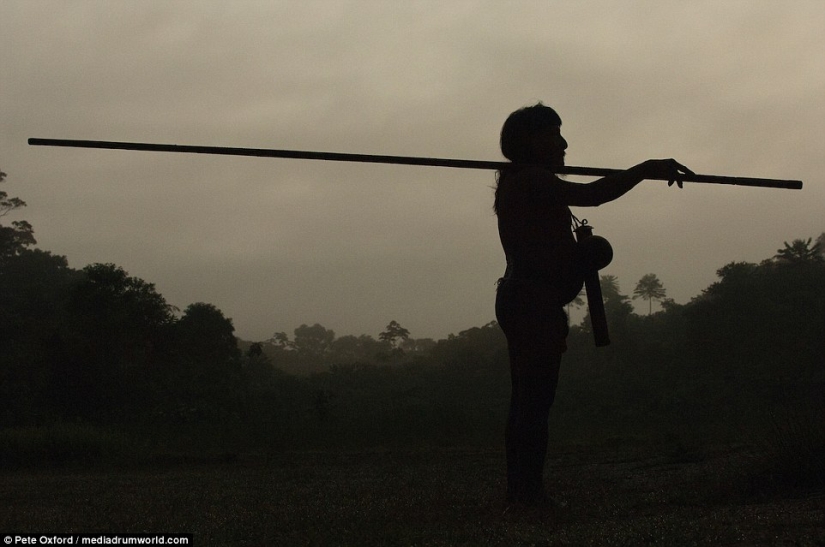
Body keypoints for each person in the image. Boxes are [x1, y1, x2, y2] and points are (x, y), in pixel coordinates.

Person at [494, 102, 692, 506]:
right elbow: (593, 195)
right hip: (530, 305)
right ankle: (527, 496)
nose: (564, 144)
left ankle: (522, 493)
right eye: (554, 134)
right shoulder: (532, 180)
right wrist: (646, 169)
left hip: (528, 302)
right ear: (530, 141)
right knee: (533, 404)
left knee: (528, 402)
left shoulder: (528, 182)